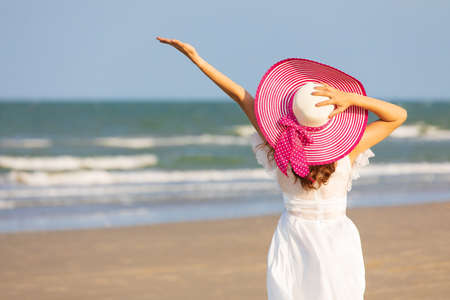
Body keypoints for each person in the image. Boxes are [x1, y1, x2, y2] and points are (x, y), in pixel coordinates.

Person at [156, 36, 407, 299]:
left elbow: (240, 96)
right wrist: (352, 99)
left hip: (293, 238)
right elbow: (398, 115)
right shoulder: (348, 150)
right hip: (338, 241)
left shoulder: (278, 142)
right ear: (331, 119)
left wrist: (197, 59)